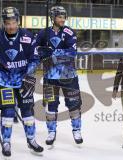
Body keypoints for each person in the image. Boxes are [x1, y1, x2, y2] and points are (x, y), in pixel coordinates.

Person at [0, 7, 43, 157]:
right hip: (4, 81)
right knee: (8, 113)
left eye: (14, 22)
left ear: (18, 21)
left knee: (28, 112)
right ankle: (6, 142)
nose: (11, 26)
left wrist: (29, 75)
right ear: (3, 23)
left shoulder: (27, 36)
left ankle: (31, 140)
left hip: (23, 81)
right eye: (7, 23)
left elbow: (34, 58)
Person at [35, 6, 83, 145]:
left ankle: (76, 130)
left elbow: (72, 53)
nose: (62, 19)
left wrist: (52, 53)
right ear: (53, 17)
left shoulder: (69, 32)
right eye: (59, 16)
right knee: (51, 105)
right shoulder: (43, 33)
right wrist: (40, 51)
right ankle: (51, 132)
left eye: (64, 17)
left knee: (74, 104)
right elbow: (35, 49)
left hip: (69, 76)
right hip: (50, 77)